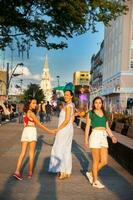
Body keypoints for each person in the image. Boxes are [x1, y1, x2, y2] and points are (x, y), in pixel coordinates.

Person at [13, 98, 55, 181]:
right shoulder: (31, 113)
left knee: (22, 153)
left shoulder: (25, 113)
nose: (35, 105)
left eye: (35, 103)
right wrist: (50, 131)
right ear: (29, 104)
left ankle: (17, 171)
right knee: (31, 153)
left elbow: (26, 124)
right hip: (31, 131)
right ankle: (30, 172)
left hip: (25, 131)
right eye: (33, 103)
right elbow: (39, 124)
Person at [84, 96, 117, 189]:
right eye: (96, 102)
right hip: (95, 136)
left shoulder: (105, 113)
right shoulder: (90, 113)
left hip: (103, 136)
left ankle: (91, 173)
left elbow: (107, 127)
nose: (98, 104)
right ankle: (95, 181)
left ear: (102, 104)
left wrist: (112, 136)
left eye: (99, 102)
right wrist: (86, 140)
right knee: (96, 160)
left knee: (104, 161)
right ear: (93, 104)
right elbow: (87, 127)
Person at [48, 90, 74, 179]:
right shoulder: (71, 105)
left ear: (71, 96)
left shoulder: (68, 106)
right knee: (66, 149)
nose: (66, 96)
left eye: (67, 95)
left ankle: (63, 171)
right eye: (65, 95)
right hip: (68, 129)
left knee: (60, 148)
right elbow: (72, 119)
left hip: (64, 130)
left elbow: (66, 120)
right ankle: (67, 171)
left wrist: (57, 129)